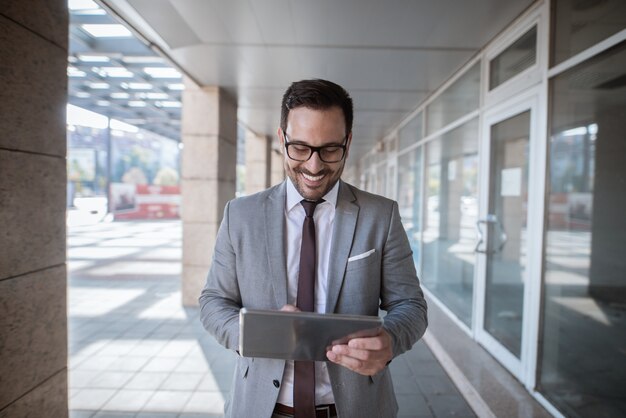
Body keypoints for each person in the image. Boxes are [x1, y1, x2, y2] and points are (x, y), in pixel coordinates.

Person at [199, 79, 428, 418]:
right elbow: (213, 302)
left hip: (354, 407)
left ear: (348, 143)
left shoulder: (382, 215)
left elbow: (410, 305)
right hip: (262, 407)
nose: (314, 166)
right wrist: (254, 336)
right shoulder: (240, 215)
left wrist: (390, 341)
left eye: (330, 149)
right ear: (282, 139)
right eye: (300, 148)